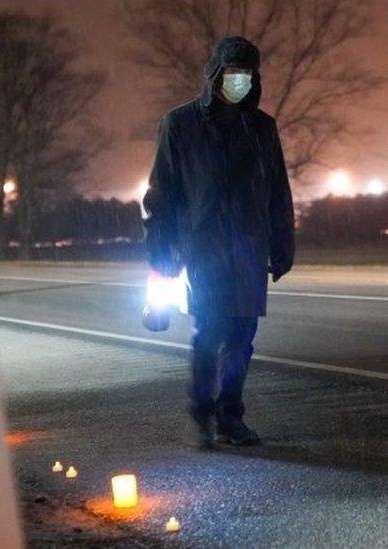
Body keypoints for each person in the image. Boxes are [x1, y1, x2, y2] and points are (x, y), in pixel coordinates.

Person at [142, 36, 295, 448]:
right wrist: (161, 246)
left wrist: (282, 243)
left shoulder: (262, 128)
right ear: (215, 74)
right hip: (203, 248)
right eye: (232, 72)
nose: (239, 81)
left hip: (249, 248)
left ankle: (230, 415)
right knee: (210, 330)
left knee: (242, 337)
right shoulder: (181, 125)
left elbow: (278, 190)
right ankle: (202, 411)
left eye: (246, 73)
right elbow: (163, 192)